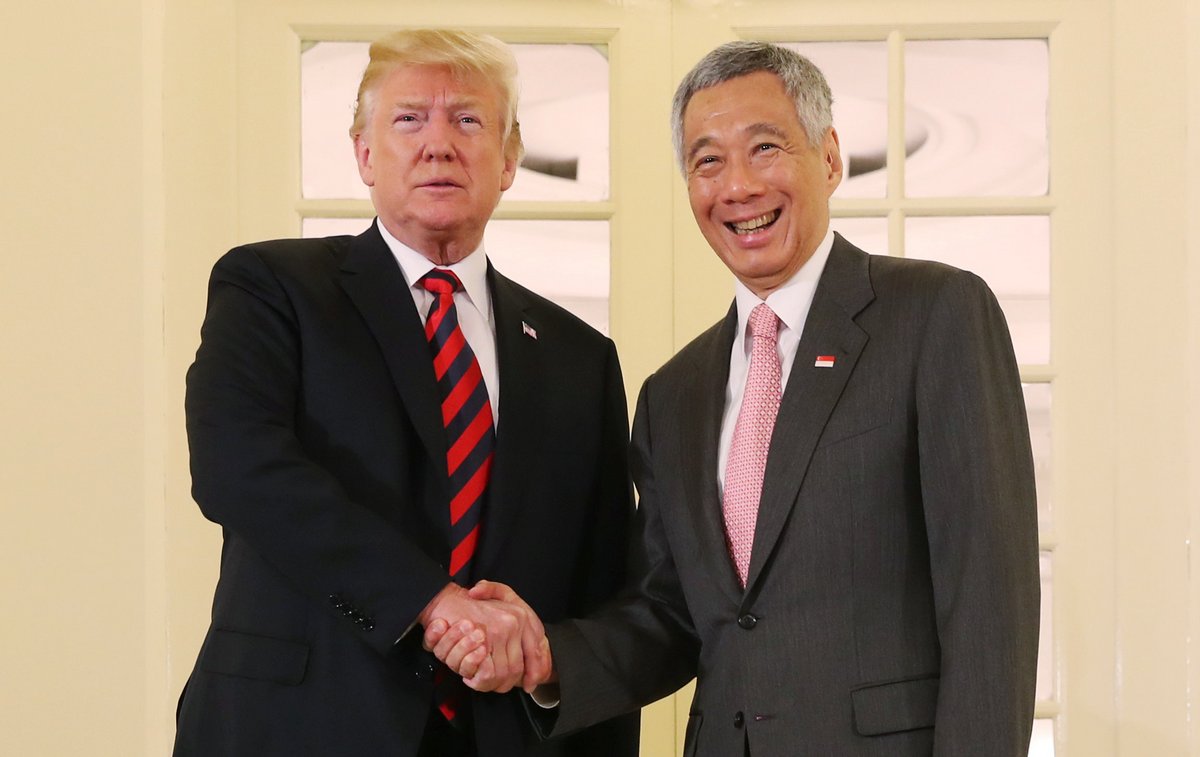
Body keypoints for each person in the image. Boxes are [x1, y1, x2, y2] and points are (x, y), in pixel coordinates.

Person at [430, 40, 1041, 756]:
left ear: (831, 157)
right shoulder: (673, 394)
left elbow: (987, 601)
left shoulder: (936, 314)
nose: (738, 187)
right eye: (707, 161)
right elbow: (671, 614)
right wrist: (547, 657)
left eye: (765, 148)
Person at [172, 29, 638, 757]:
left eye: (469, 120)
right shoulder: (272, 289)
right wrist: (431, 601)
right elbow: (238, 469)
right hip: (294, 727)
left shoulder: (582, 357)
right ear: (364, 152)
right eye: (409, 118)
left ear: (510, 158)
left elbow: (605, 584)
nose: (439, 143)